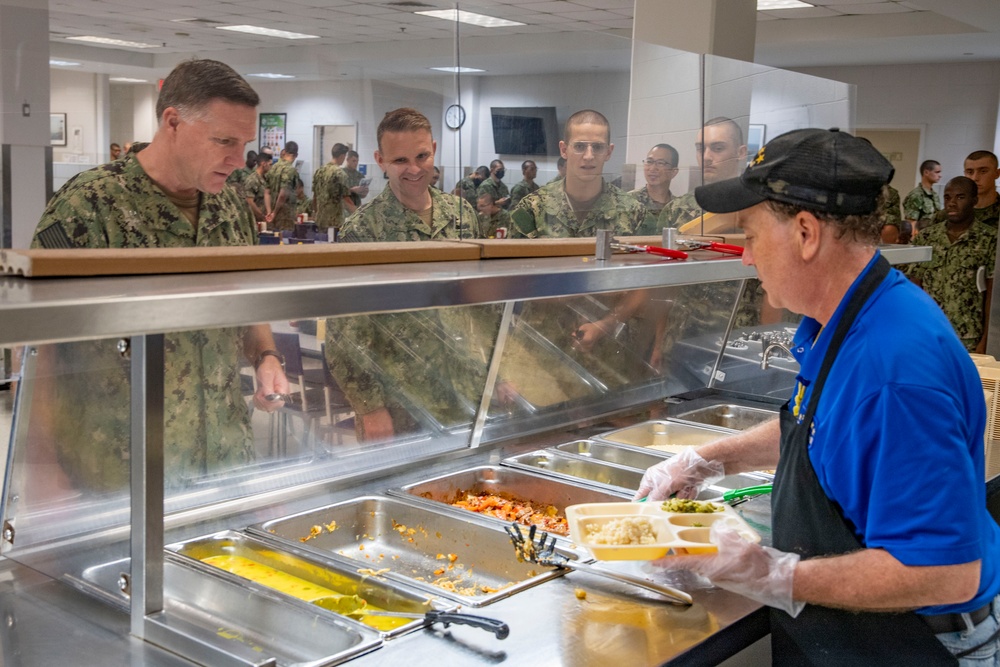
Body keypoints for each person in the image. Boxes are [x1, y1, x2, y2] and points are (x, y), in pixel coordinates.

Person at [636, 128, 1000, 665]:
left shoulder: (892, 367)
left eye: (752, 237)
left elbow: (942, 571)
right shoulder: (849, 317)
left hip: (914, 645)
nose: (745, 259)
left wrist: (769, 572)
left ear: (806, 233)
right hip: (858, 636)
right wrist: (705, 460)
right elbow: (814, 427)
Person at [30, 59, 289, 490]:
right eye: (224, 141)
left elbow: (245, 301)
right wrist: (42, 467)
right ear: (173, 122)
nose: (238, 160)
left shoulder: (228, 206)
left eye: (243, 144)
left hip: (223, 460)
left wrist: (267, 357)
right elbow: (41, 345)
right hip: (120, 469)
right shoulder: (89, 205)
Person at [327, 108, 490, 442]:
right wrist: (369, 407)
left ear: (434, 149)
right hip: (399, 405)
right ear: (380, 160)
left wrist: (498, 375)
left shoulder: (462, 216)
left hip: (467, 394)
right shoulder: (362, 230)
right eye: (400, 160)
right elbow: (346, 332)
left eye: (422, 156)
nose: (414, 169)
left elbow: (481, 307)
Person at [510, 109, 648, 238]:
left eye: (598, 147)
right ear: (564, 150)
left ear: (608, 152)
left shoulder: (634, 213)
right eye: (579, 146)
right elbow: (510, 261)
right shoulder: (532, 209)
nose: (588, 156)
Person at [907, 176, 996, 353]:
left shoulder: (990, 239)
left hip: (968, 338)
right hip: (929, 333)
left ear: (974, 201)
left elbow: (991, 296)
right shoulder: (927, 237)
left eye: (960, 197)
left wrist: (985, 340)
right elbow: (914, 287)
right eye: (947, 197)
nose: (952, 203)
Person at [658, 116, 747, 230]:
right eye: (700, 149)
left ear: (741, 153)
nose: (706, 157)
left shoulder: (759, 205)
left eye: (718, 148)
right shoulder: (677, 209)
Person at [632, 143, 678, 219]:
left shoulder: (680, 207)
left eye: (660, 163)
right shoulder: (629, 201)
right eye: (649, 162)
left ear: (673, 172)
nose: (652, 168)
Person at [312, 143, 352, 231]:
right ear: (342, 156)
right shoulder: (340, 174)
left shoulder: (319, 171)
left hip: (320, 221)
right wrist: (357, 214)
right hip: (334, 223)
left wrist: (316, 213)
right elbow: (347, 200)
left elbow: (315, 197)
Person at [265, 140, 300, 232]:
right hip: (285, 217)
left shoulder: (273, 168)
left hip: (272, 217)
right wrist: (275, 213)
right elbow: (282, 195)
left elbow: (267, 192)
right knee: (284, 243)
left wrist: (270, 212)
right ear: (296, 155)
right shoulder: (290, 170)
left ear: (284, 152)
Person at [963, 150, 1000, 227]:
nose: (975, 178)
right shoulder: (952, 213)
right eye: (970, 172)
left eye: (983, 171)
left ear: (997, 173)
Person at [902, 159, 942, 226]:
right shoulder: (916, 195)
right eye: (937, 172)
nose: (940, 175)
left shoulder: (935, 195)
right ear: (926, 172)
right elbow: (911, 223)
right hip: (921, 234)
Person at [244, 153, 271, 222]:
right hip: (256, 220)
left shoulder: (265, 178)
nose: (271, 167)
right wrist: (261, 216)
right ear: (264, 164)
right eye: (270, 164)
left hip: (266, 219)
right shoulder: (252, 179)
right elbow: (249, 201)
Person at [343, 149, 369, 213]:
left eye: (357, 161)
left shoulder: (360, 176)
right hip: (343, 209)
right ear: (347, 160)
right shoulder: (340, 174)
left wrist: (364, 192)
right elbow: (336, 193)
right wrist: (352, 190)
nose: (356, 163)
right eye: (353, 161)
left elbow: (362, 196)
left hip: (356, 208)